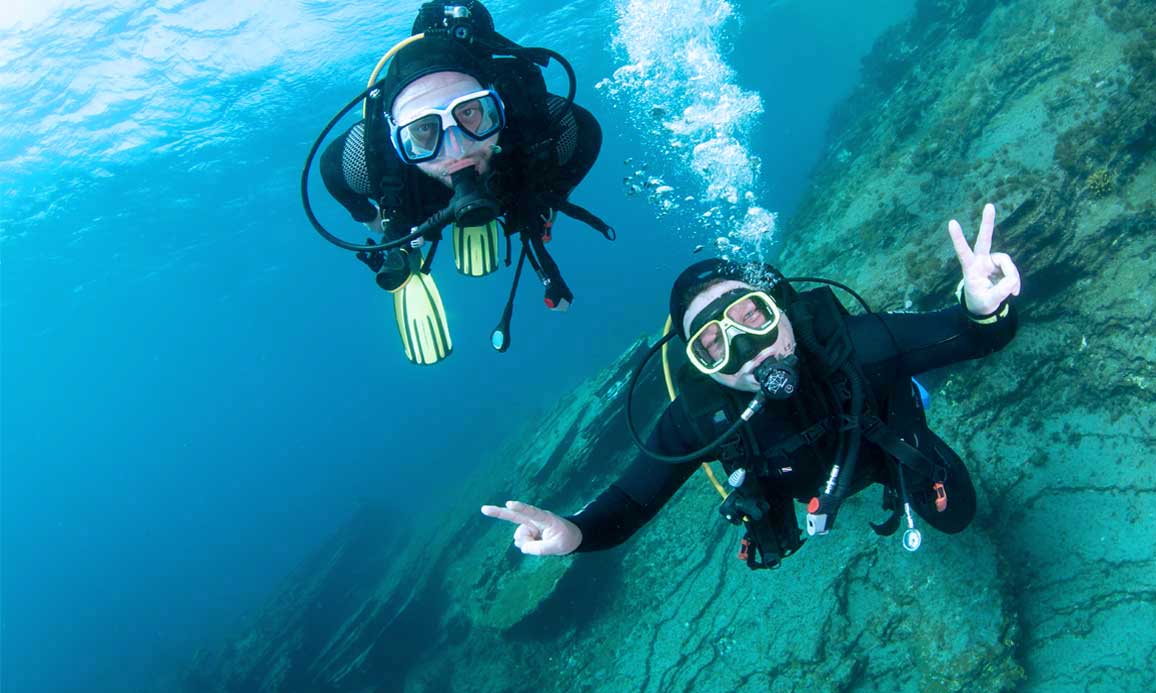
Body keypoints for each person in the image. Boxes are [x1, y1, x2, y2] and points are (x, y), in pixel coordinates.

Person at [481, 204, 1022, 569]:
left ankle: (915, 389)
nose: (747, 349)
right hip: (809, 483)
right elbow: (629, 502)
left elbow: (972, 338)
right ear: (699, 364)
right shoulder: (700, 417)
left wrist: (981, 310)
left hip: (889, 449)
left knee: (958, 516)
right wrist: (576, 531)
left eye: (751, 316)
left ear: (782, 309)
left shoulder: (858, 345)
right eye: (714, 345)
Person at [312, 0, 613, 364]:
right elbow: (332, 174)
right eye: (424, 129)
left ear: (498, 106)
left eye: (469, 112)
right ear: (395, 139)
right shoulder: (364, 160)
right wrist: (382, 223)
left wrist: (548, 203)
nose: (458, 148)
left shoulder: (539, 126)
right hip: (415, 202)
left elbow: (587, 136)